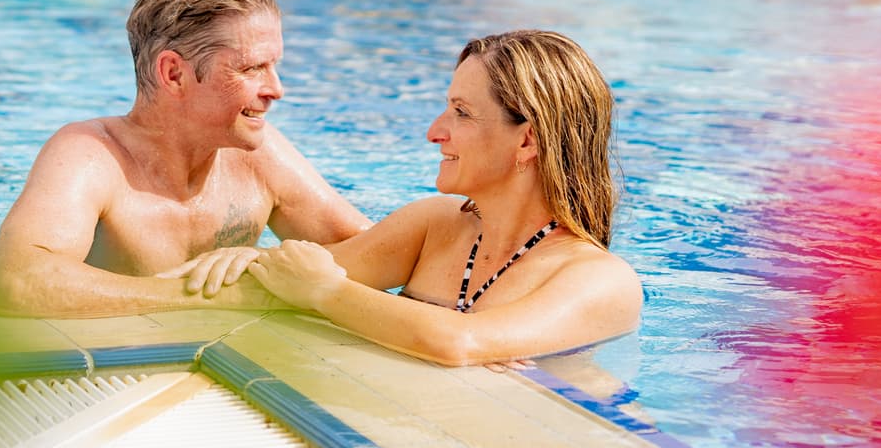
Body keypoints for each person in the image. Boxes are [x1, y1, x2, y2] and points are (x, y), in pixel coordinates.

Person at [172, 31, 641, 365]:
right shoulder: (435, 225)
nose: (435, 132)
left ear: (527, 142)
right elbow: (289, 279)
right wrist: (241, 262)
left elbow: (465, 344)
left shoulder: (599, 280)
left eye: (461, 112)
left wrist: (328, 292)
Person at [0, 0, 369, 316]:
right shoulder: (92, 155)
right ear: (174, 74)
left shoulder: (257, 154)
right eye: (252, 68)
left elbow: (386, 250)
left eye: (275, 66)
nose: (276, 89)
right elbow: (20, 283)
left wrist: (272, 264)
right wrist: (215, 296)